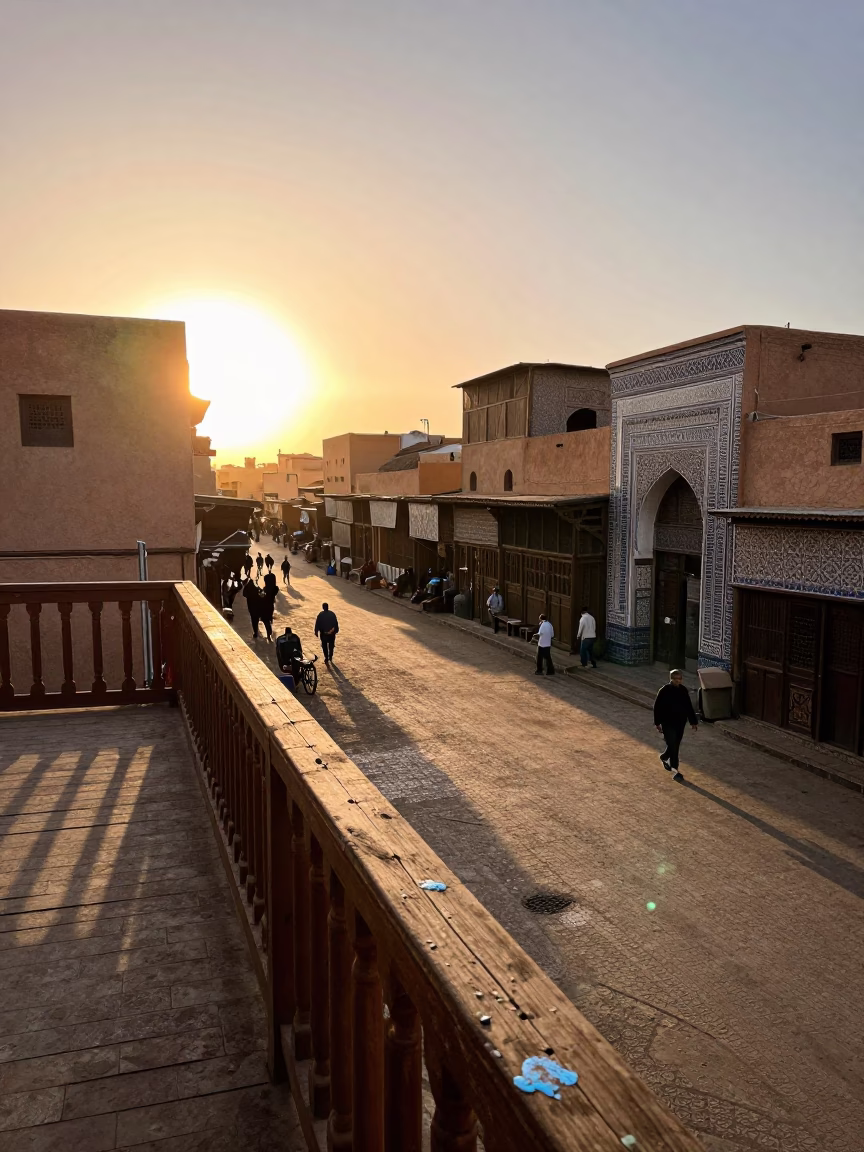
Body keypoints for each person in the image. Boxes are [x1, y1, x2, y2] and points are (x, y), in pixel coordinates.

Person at [654, 669, 698, 781]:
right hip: (667, 722)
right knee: (673, 745)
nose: (678, 681)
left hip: (680, 722)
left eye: (680, 679)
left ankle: (664, 757)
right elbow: (657, 707)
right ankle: (676, 770)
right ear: (671, 679)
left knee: (675, 744)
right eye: (676, 679)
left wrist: (693, 721)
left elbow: (688, 706)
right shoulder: (664, 690)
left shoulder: (683, 690)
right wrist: (657, 723)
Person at [259, 571, 279, 641]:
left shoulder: (266, 589)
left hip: (265, 606)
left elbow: (262, 597)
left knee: (265, 620)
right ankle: (269, 633)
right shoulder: (275, 589)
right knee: (268, 619)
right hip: (271, 606)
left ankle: (269, 633)